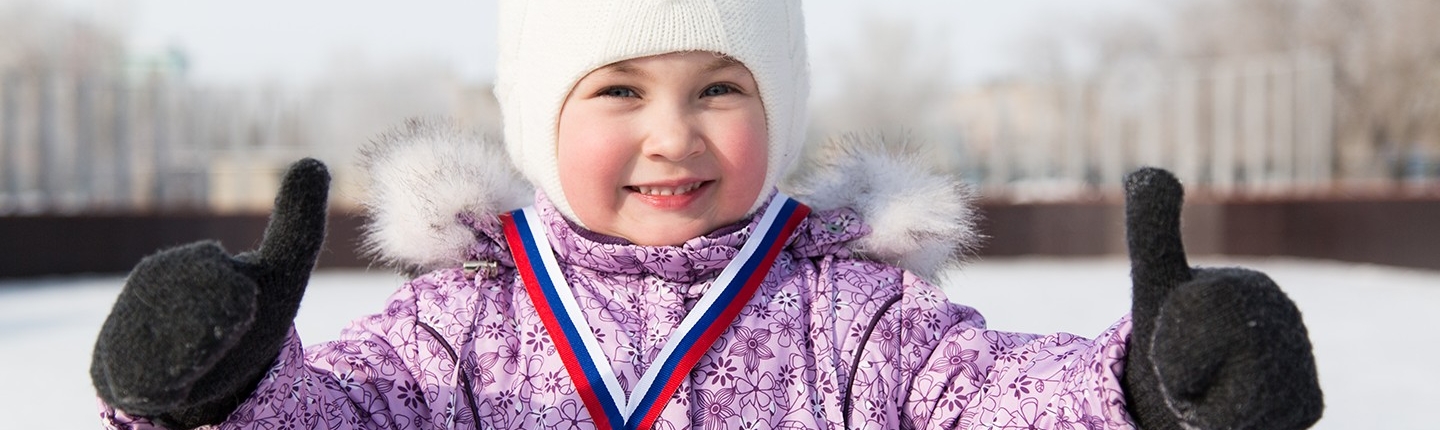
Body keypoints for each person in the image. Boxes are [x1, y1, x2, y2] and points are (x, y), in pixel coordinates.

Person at [90, 1, 1323, 429]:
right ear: (538, 122)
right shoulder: (462, 324)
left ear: (777, 113)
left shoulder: (853, 315)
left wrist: (1141, 387)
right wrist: (221, 384)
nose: (672, 132)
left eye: (719, 88)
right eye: (619, 90)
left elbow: (990, 398)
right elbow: (339, 417)